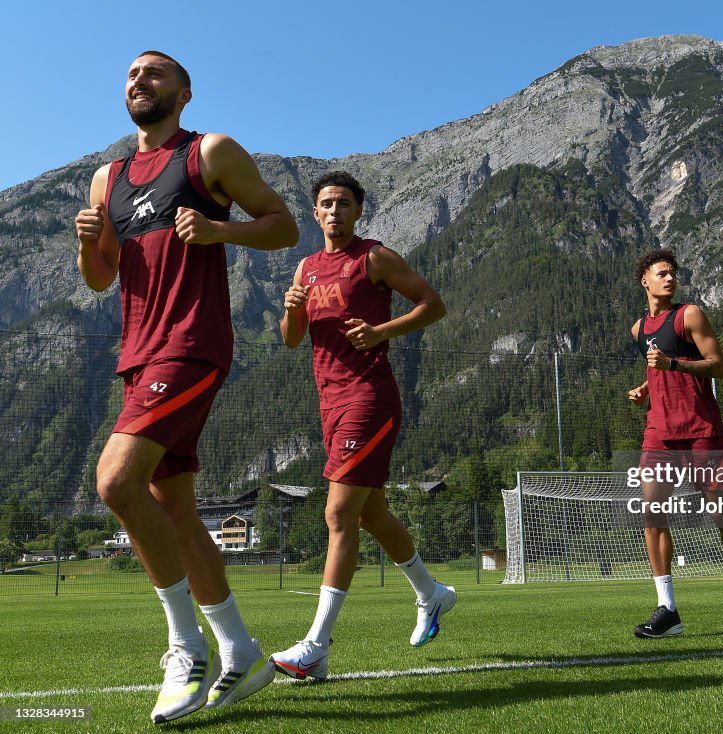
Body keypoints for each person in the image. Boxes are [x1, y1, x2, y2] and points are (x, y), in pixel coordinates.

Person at [74, 51, 299, 723]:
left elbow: (285, 225)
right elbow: (100, 279)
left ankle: (186, 646)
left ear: (184, 92)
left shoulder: (210, 152)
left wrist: (218, 229)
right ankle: (239, 648)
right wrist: (90, 245)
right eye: (132, 76)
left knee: (114, 481)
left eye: (155, 74)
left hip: (192, 345)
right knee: (170, 505)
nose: (139, 81)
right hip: (137, 357)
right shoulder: (105, 179)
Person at [270, 171, 454, 680]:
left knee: (338, 515)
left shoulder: (374, 256)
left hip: (370, 399)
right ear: (315, 213)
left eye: (344, 203)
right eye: (326, 203)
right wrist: (290, 312)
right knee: (372, 515)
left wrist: (381, 331)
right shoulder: (304, 268)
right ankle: (432, 593)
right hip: (329, 405)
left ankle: (316, 645)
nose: (335, 211)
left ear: (358, 211)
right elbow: (292, 340)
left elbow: (432, 304)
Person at [627, 249, 723, 637]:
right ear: (645, 280)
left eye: (673, 273)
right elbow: (657, 373)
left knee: (721, 513)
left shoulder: (690, 315)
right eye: (662, 273)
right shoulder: (638, 329)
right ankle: (667, 609)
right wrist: (645, 391)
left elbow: (719, 365)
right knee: (651, 511)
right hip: (659, 433)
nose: (670, 279)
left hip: (702, 429)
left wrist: (676, 365)